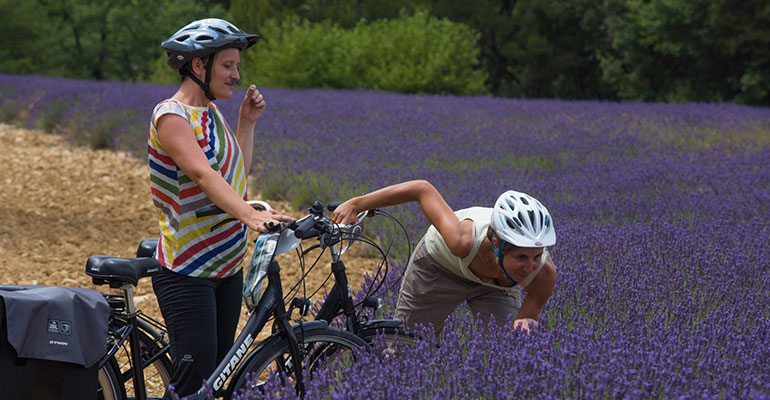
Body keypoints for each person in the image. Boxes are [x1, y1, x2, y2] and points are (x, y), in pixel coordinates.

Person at [147, 18, 292, 398]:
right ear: (199, 66)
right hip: (188, 271)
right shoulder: (171, 116)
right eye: (228, 66)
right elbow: (202, 176)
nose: (236, 75)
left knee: (213, 382)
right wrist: (250, 215)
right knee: (193, 386)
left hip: (226, 267)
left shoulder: (212, 115)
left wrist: (247, 123)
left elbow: (232, 178)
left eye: (237, 67)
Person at [332, 180, 557, 335]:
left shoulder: (543, 274)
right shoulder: (462, 240)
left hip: (496, 284)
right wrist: (356, 204)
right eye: (521, 257)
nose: (530, 268)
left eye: (536, 256)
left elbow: (525, 321)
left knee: (511, 350)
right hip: (439, 267)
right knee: (408, 347)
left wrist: (526, 322)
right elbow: (422, 189)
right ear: (497, 244)